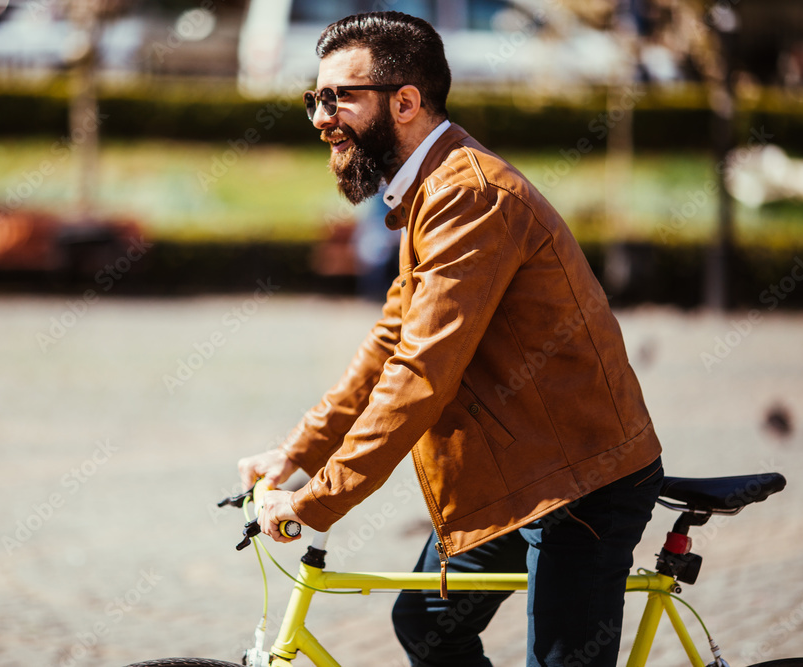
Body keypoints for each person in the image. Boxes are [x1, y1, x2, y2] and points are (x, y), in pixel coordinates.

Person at [237, 11, 663, 667]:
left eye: (340, 96)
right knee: (428, 623)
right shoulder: (429, 191)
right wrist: (294, 455)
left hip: (578, 482)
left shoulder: (470, 196)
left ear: (405, 102)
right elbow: (388, 344)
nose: (321, 117)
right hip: (517, 476)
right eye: (314, 98)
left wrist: (318, 502)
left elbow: (419, 373)